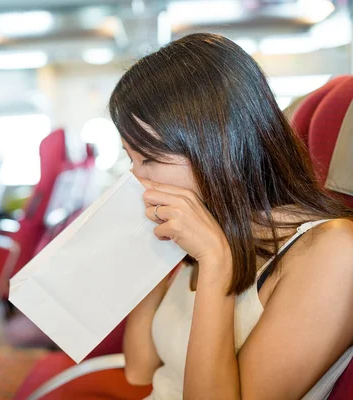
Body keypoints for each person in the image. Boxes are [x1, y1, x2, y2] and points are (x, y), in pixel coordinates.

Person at [110, 33, 353, 399]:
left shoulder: (334, 252)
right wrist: (152, 249)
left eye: (150, 158)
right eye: (131, 158)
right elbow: (139, 369)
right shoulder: (210, 225)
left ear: (220, 147)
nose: (136, 178)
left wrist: (217, 264)